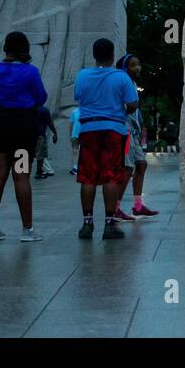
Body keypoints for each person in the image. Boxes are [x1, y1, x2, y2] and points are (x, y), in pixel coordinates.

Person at [0, 30, 49, 242]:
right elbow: (41, 97)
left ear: (5, 48)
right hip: (22, 126)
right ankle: (27, 230)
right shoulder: (30, 72)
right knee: (21, 176)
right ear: (25, 49)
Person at [74, 38, 138, 240]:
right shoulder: (121, 77)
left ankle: (87, 223)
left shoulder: (82, 76)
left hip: (89, 129)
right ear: (112, 56)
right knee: (111, 176)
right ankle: (109, 224)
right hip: (113, 130)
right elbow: (132, 104)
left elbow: (79, 97)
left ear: (94, 55)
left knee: (88, 177)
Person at [117, 53, 159, 218]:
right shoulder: (122, 82)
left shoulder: (132, 83)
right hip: (125, 130)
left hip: (133, 132)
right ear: (125, 68)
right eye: (133, 65)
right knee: (127, 168)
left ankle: (137, 205)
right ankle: (116, 208)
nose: (138, 68)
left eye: (139, 64)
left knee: (141, 165)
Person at [34, 105, 58, 179]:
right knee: (40, 154)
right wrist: (55, 133)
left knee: (38, 154)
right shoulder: (44, 110)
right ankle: (38, 172)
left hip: (31, 134)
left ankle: (38, 171)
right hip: (40, 135)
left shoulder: (29, 108)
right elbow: (50, 123)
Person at [68, 106, 81, 176]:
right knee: (75, 151)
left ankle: (81, 166)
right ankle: (75, 167)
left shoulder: (88, 111)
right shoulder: (74, 112)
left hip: (84, 135)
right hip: (75, 135)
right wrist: (70, 135)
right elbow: (71, 124)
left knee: (84, 151)